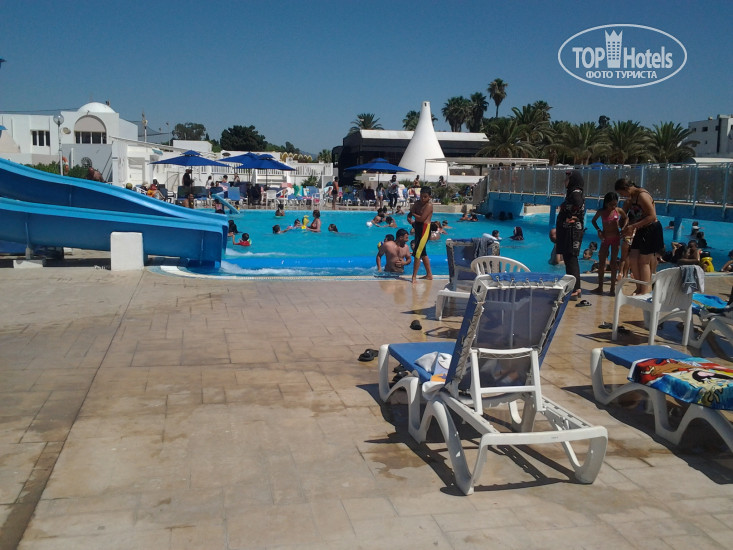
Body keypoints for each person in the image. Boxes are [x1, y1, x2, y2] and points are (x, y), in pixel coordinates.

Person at [615, 177, 664, 294]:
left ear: (626, 188)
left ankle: (644, 290)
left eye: (622, 193)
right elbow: (626, 215)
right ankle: (639, 287)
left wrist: (633, 226)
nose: (622, 196)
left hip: (651, 229)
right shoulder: (631, 198)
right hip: (640, 229)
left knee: (643, 261)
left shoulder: (642, 196)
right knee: (632, 258)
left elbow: (652, 216)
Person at [590, 191, 627, 295]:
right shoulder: (601, 212)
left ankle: (612, 289)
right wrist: (598, 230)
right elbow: (593, 221)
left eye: (615, 204)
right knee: (601, 263)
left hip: (615, 239)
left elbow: (626, 218)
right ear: (606, 203)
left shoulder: (618, 211)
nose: (613, 207)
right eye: (611, 205)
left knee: (613, 263)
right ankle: (600, 287)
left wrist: (623, 228)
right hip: (605, 239)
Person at [556, 170, 585, 299]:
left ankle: (575, 289)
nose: (565, 181)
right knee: (569, 258)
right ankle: (575, 287)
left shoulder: (575, 193)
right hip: (569, 230)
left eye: (567, 179)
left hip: (572, 231)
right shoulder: (572, 193)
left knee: (571, 258)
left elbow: (577, 204)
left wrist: (571, 217)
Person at [409, 186, 434, 282]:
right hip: (418, 227)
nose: (423, 199)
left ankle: (414, 276)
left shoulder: (429, 206)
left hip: (425, 229)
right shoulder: (417, 203)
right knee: (423, 252)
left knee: (418, 252)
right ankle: (429, 275)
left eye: (425, 197)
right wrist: (410, 218)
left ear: (429, 197)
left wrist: (413, 214)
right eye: (421, 196)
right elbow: (410, 214)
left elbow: (421, 218)